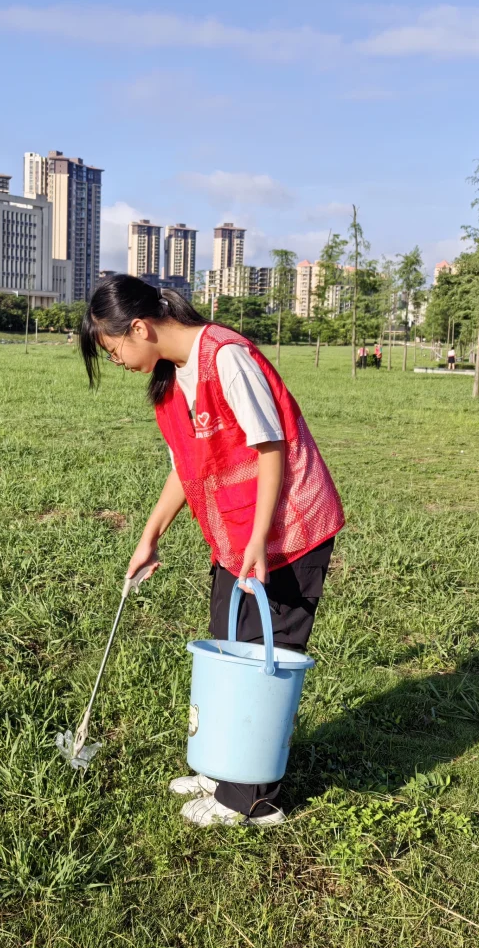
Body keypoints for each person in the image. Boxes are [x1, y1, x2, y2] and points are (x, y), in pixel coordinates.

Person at [80, 276, 345, 828]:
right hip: (235, 537)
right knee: (227, 647)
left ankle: (251, 799)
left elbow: (271, 448)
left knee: (262, 656)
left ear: (138, 328)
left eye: (112, 348)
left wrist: (259, 540)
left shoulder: (227, 357)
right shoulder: (173, 378)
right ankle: (222, 767)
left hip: (286, 533)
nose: (116, 360)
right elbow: (187, 466)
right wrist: (150, 535)